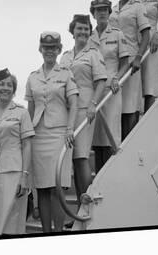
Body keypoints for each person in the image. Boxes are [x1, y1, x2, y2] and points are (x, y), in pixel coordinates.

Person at [25, 31, 79, 233]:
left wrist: (70, 128)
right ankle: (46, 233)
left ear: (58, 50)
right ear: (41, 49)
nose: (49, 51)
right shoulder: (33, 77)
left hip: (59, 135)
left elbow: (74, 104)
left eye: (53, 48)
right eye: (46, 48)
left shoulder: (65, 73)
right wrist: (27, 135)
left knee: (58, 188)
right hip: (38, 136)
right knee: (43, 189)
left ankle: (58, 232)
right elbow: (30, 109)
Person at [0, 68, 35, 236]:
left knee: (11, 220)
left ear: (14, 90)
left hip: (13, 172)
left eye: (9, 85)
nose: (5, 88)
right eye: (1, 84)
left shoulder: (21, 112)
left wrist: (25, 175)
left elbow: (27, 145)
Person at [59, 15, 107, 199]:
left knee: (81, 157)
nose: (83, 32)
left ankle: (87, 204)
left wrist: (93, 104)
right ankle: (80, 207)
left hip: (83, 109)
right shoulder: (65, 56)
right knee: (71, 159)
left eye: (86, 29)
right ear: (72, 31)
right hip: (65, 111)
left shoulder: (94, 53)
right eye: (79, 29)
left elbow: (101, 81)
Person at [88, 0, 131, 172]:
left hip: (111, 90)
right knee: (96, 135)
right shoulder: (89, 37)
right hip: (93, 91)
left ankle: (112, 172)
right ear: (93, 13)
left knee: (110, 133)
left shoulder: (117, 34)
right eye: (98, 10)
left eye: (104, 9)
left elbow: (125, 62)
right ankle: (99, 173)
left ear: (108, 11)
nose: (102, 13)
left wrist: (117, 79)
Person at [109, 0, 151, 141]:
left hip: (131, 60)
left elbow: (146, 34)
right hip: (114, 61)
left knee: (130, 103)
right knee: (115, 103)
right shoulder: (112, 10)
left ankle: (130, 141)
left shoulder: (138, 7)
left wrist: (139, 57)